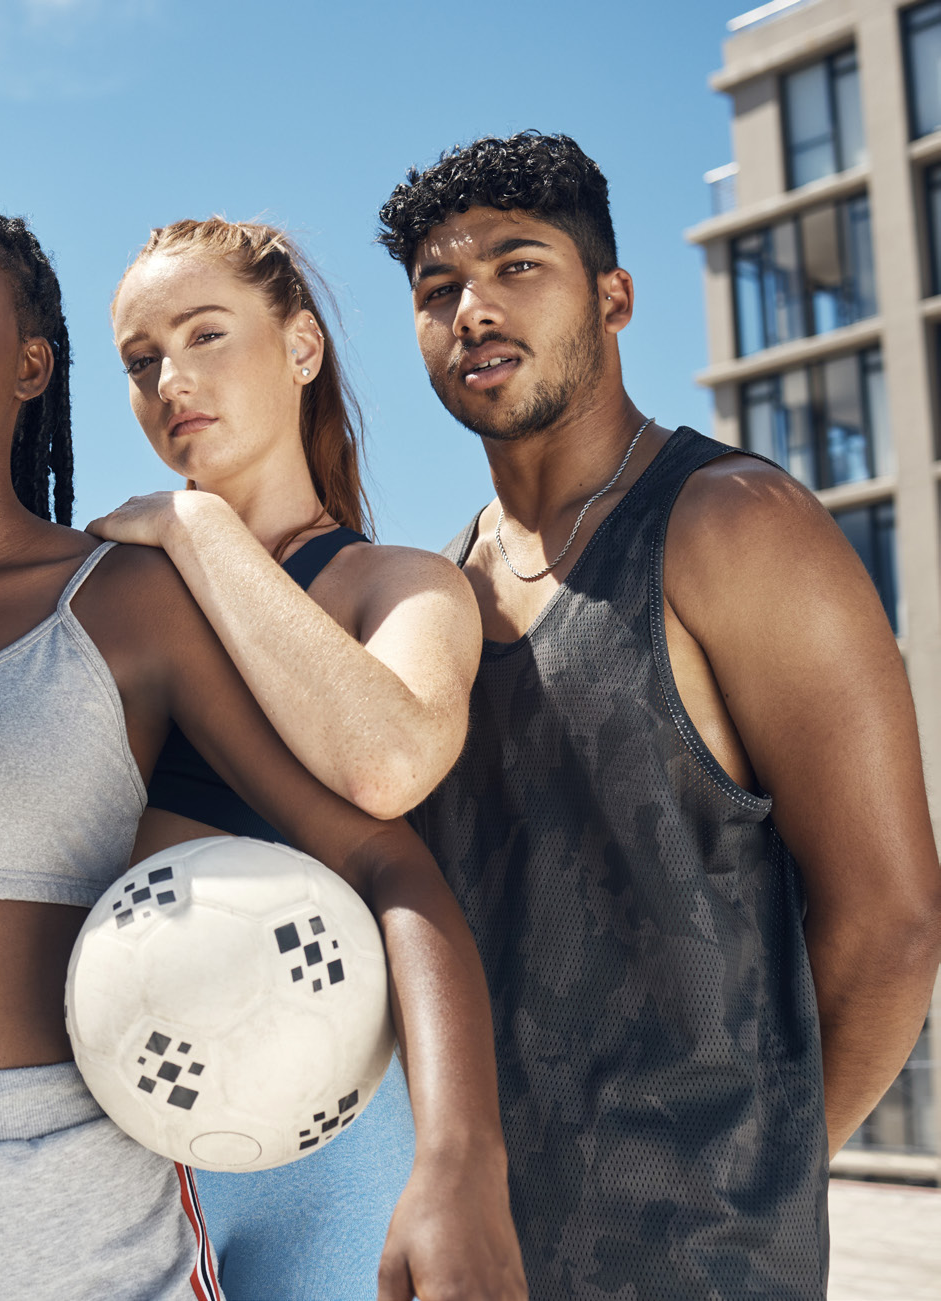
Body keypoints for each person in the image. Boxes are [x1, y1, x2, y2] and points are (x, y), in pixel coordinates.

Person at [0, 176, 522, 1301]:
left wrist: (461, 1163)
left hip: (75, 1207)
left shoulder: (128, 599)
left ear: (32, 364)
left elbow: (385, 851)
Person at [380, 131, 941, 1299]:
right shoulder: (438, 594)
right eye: (439, 289)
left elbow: (890, 921)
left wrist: (749, 1180)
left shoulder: (735, 524)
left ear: (614, 296)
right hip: (475, 1263)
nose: (472, 306)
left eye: (517, 266)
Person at [88, 218, 482, 1298]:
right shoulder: (109, 582)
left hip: (332, 1126)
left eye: (206, 334)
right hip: (111, 1121)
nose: (171, 379)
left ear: (300, 346)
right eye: (138, 360)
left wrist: (199, 526)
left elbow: (388, 761)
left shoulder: (400, 587)